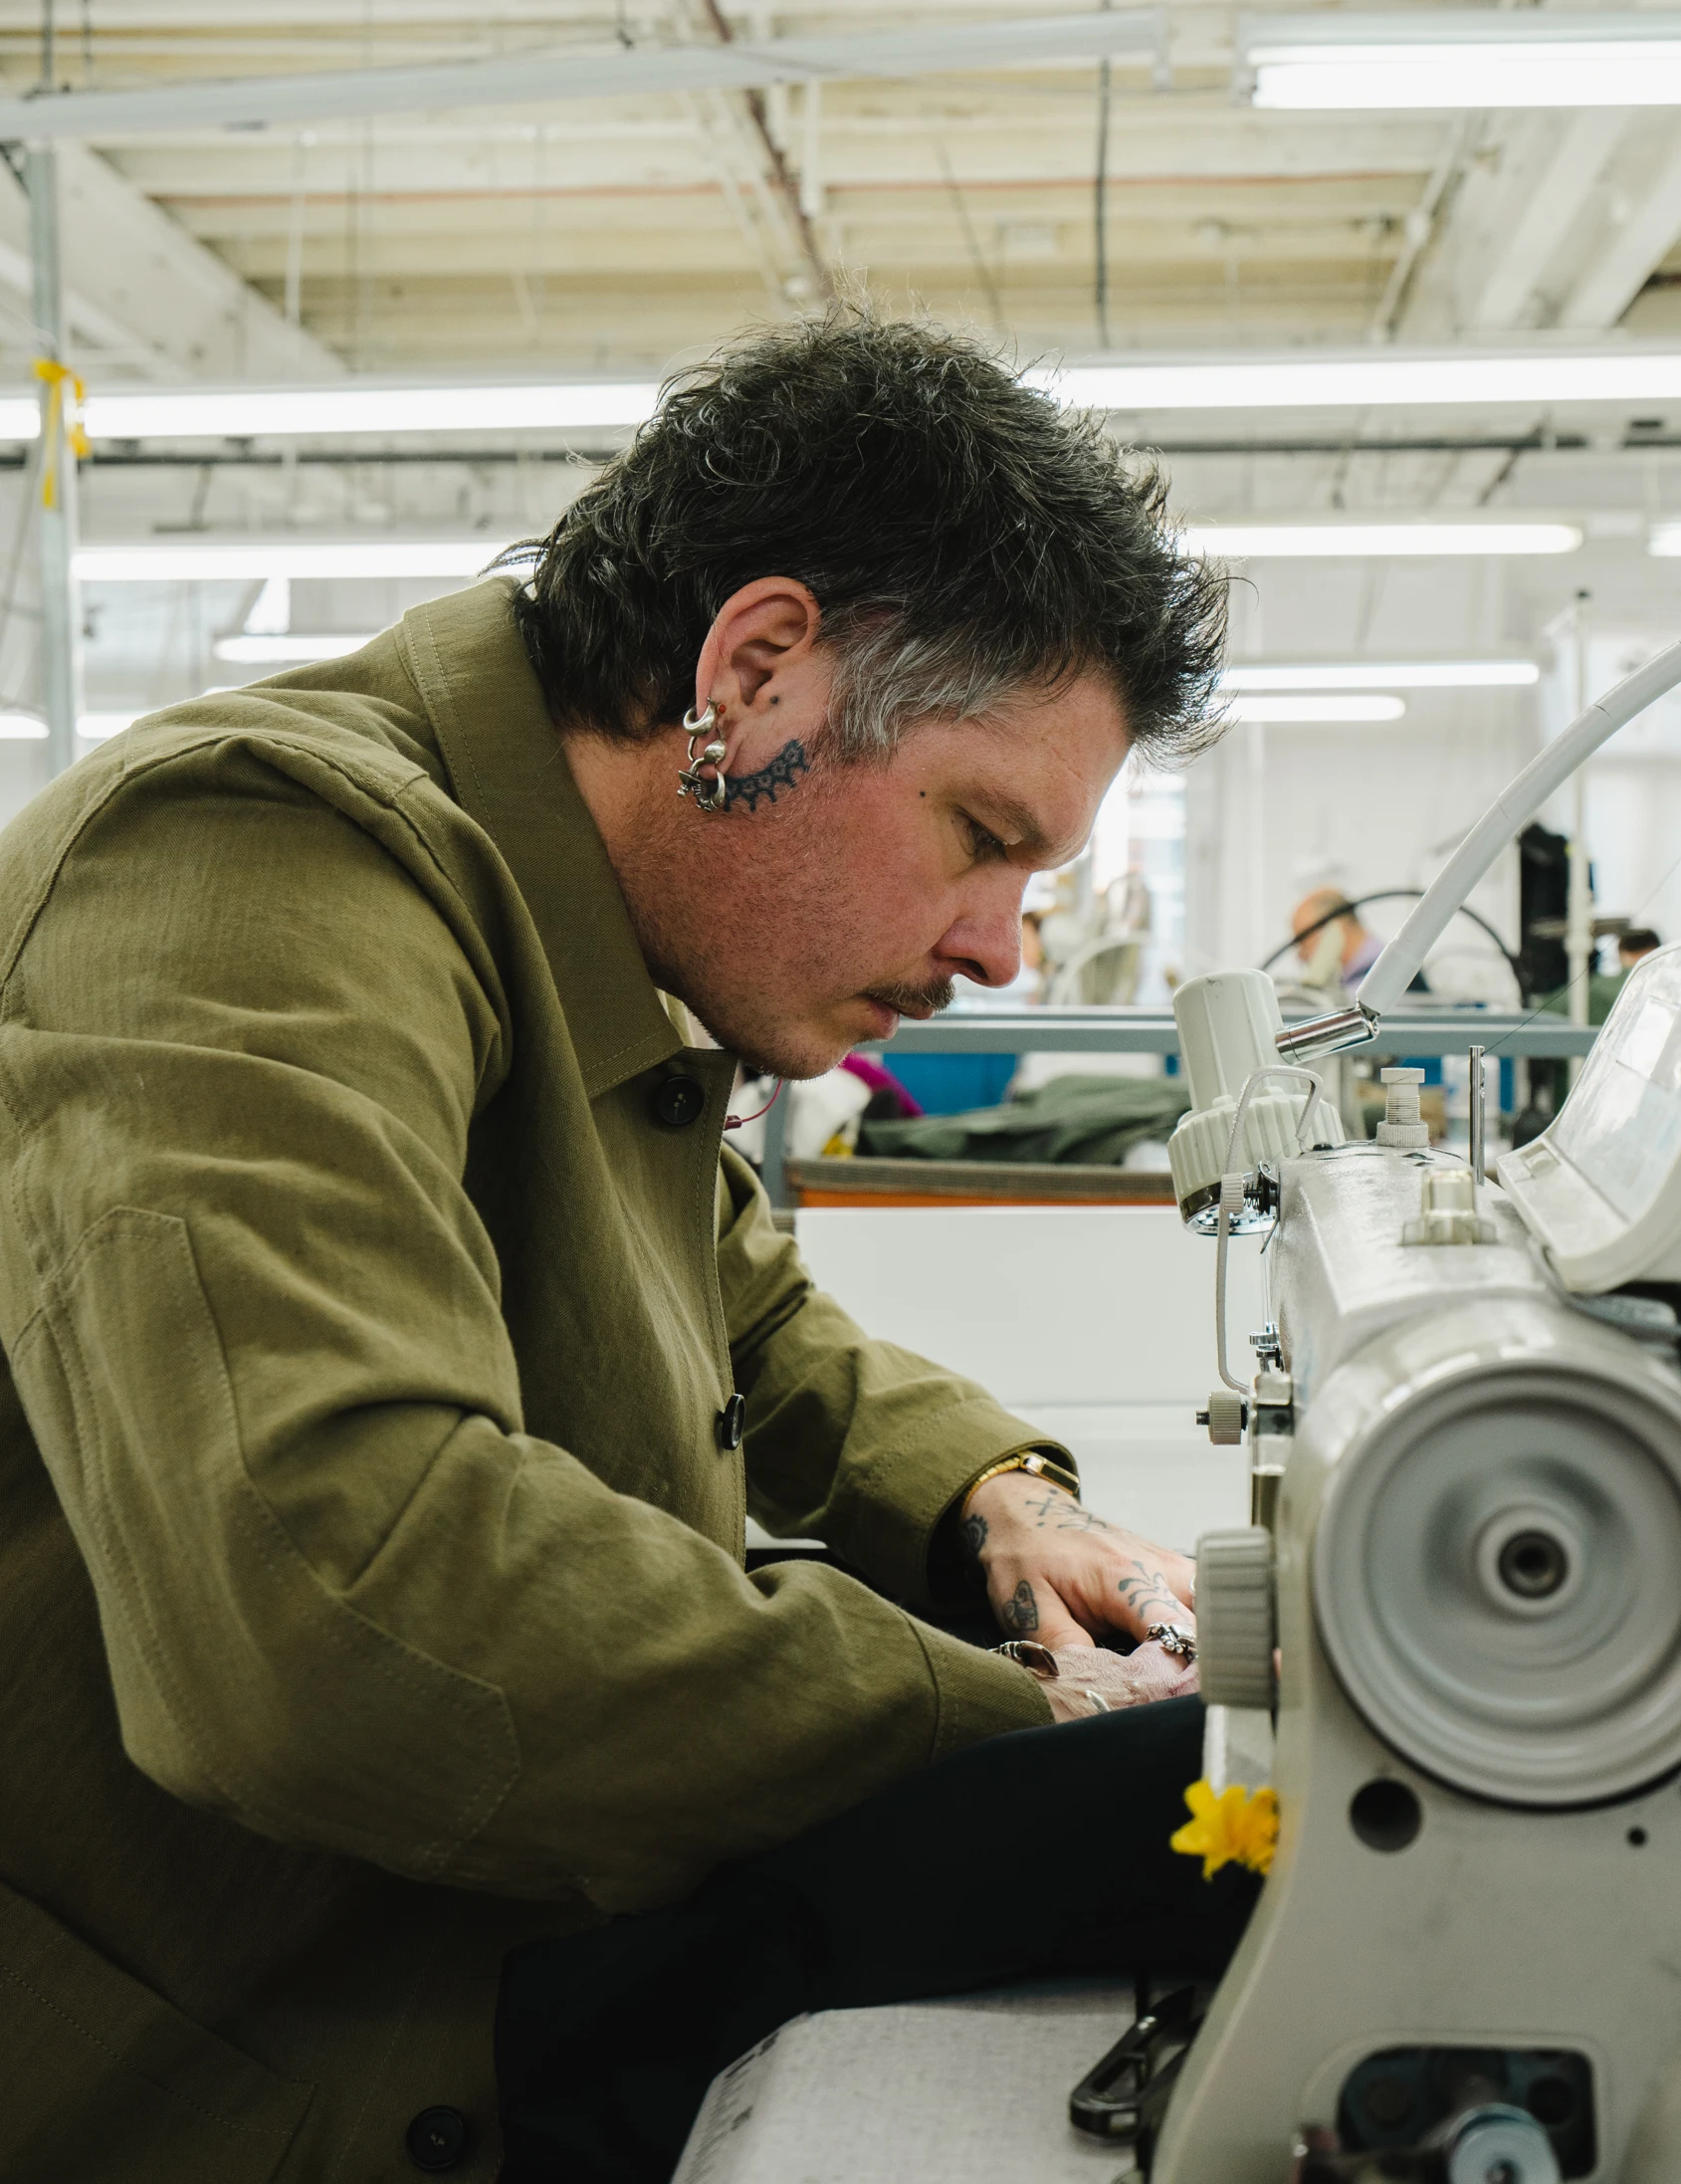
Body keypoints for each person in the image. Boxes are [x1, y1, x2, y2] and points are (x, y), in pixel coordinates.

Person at [0, 310, 1250, 2184]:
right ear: (753, 674)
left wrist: (990, 1491)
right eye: (979, 834)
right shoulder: (249, 868)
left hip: (398, 1940)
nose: (999, 947)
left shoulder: (578, 934)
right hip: (205, 2052)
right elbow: (337, 1594)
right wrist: (1015, 1723)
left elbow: (730, 1302)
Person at [1291, 886, 1385, 985]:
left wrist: (1313, 985)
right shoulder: (1346, 983)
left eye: (1303, 943)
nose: (1300, 956)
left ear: (1333, 931)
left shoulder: (1383, 979)